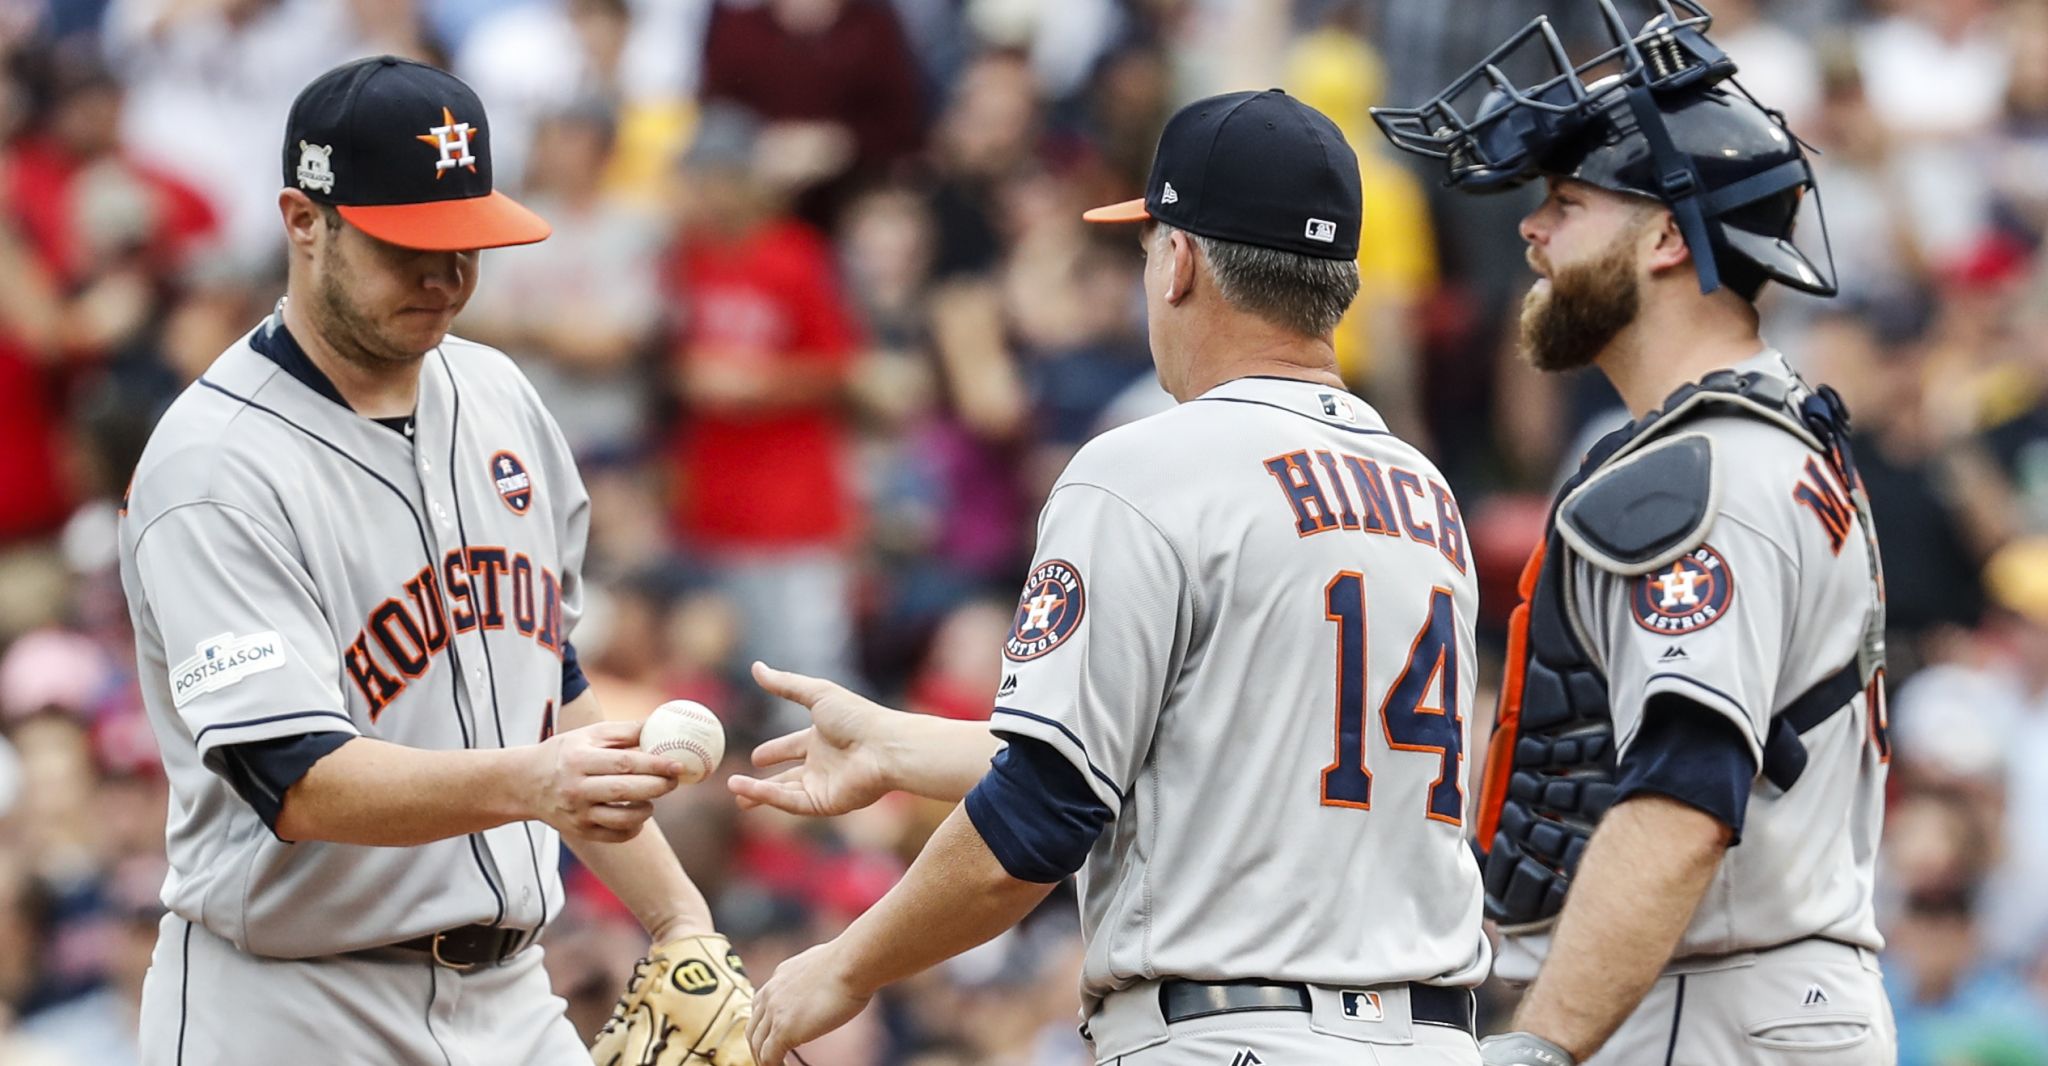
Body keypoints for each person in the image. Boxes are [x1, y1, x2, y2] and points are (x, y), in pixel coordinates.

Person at [731, 88, 1489, 1066]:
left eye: (1144, 246)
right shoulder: (1422, 489)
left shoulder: (1142, 467)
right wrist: (905, 747)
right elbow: (1219, 763)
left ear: (1178, 261)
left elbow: (1039, 816)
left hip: (1231, 1033)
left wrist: (842, 965)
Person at [115, 56, 752, 1065]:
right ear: (303, 218)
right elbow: (299, 779)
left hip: (511, 999)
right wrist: (533, 782)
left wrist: (678, 919)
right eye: (405, 245)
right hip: (290, 1006)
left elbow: (548, 685)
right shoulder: (214, 464)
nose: (443, 277)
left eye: (465, 245)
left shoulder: (499, 395)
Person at [1373, 4, 1895, 1064]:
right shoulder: (1768, 435)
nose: (1531, 231)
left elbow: (1682, 795)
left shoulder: (1695, 477)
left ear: (1665, 236)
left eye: (1564, 202)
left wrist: (1544, 1042)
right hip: (1753, 995)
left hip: (1704, 1009)